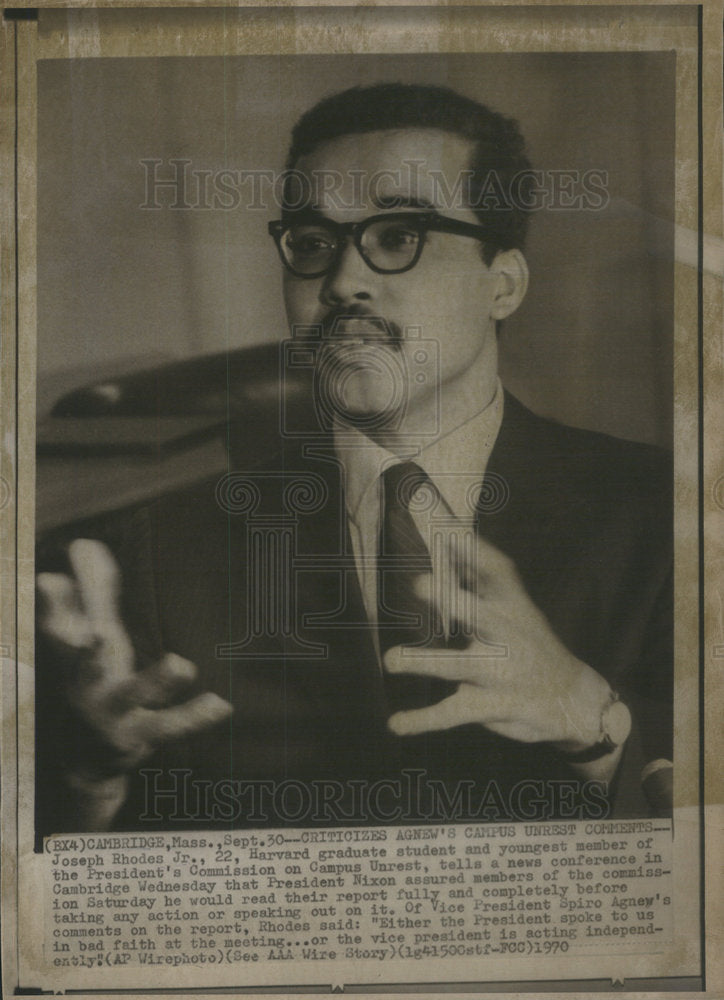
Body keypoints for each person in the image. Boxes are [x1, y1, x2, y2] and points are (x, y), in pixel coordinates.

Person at [35, 83, 672, 834]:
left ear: (503, 283)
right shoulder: (153, 537)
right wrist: (86, 774)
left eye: (399, 237)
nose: (341, 283)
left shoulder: (664, 514)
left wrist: (593, 727)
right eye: (311, 245)